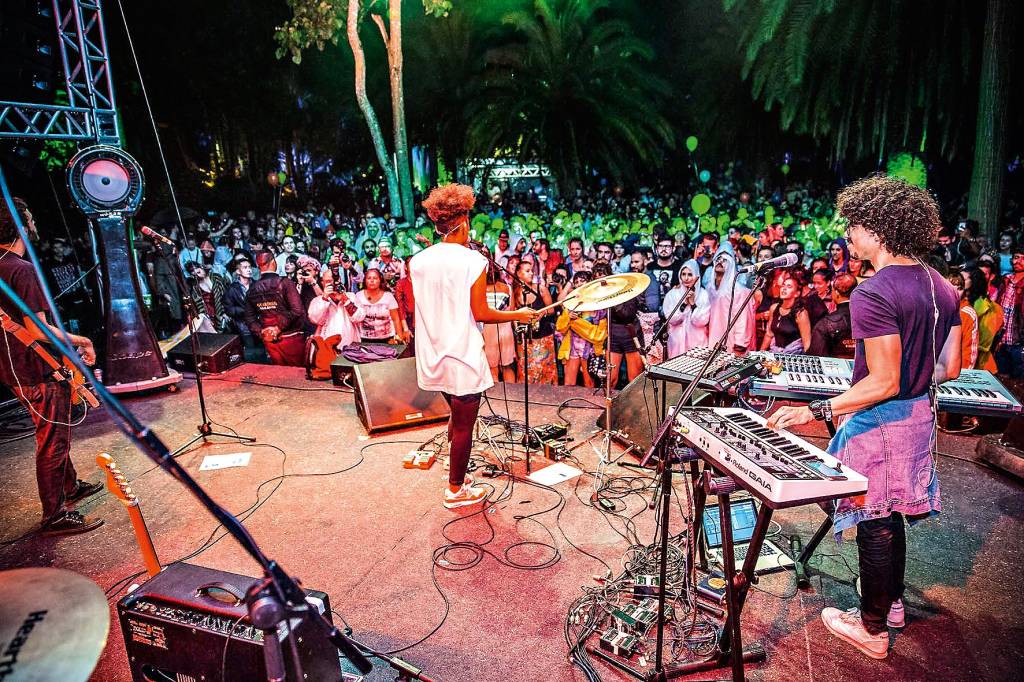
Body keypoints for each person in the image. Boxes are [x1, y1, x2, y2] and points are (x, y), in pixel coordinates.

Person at [767, 175, 961, 661]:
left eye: (853, 225)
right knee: (889, 514)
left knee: (872, 519)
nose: (847, 234)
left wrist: (813, 409)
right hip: (919, 418)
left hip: (883, 422)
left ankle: (872, 628)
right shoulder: (939, 284)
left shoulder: (873, 293)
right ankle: (890, 603)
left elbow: (883, 381)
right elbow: (949, 368)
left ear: (878, 228)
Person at [412, 184, 537, 509]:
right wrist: (518, 314)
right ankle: (455, 489)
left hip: (432, 354)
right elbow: (481, 312)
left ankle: (454, 467)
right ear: (463, 221)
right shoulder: (472, 261)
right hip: (462, 354)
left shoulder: (419, 261)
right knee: (466, 422)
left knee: (455, 414)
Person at [0, 197, 103, 535]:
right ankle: (54, 515)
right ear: (19, 226)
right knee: (53, 438)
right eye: (28, 219)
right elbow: (37, 329)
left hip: (13, 368)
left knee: (54, 431)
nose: (34, 225)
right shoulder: (20, 270)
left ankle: (70, 487)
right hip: (35, 369)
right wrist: (82, 340)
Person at [245, 250, 307, 366]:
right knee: (298, 375)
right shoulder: (285, 283)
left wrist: (262, 331)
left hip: (270, 340)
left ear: (258, 266)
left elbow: (249, 318)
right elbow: (297, 310)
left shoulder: (252, 289)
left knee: (279, 376)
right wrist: (278, 328)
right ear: (274, 262)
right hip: (291, 338)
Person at [703, 244, 755, 355]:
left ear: (732, 264)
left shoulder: (740, 291)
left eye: (725, 260)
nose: (720, 261)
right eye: (718, 258)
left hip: (732, 346)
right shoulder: (709, 288)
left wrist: (740, 345)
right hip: (712, 342)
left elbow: (744, 320)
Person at [513, 259, 558, 385]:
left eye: (532, 271)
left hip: (543, 337)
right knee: (527, 372)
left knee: (545, 371)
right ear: (518, 274)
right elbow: (512, 314)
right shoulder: (515, 293)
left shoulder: (541, 289)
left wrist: (541, 313)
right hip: (525, 339)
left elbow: (552, 310)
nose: (531, 273)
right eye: (527, 271)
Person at [662, 258, 710, 357]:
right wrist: (684, 304)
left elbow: (702, 321)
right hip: (676, 343)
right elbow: (671, 319)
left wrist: (692, 304)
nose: (686, 278)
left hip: (697, 343)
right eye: (683, 274)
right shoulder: (672, 294)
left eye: (690, 274)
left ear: (696, 276)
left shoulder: (704, 295)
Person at [481, 259, 517, 382]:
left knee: (492, 369)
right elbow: (512, 311)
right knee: (507, 367)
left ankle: (497, 400)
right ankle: (513, 397)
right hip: (506, 331)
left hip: (488, 332)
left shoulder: (479, 290)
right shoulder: (507, 288)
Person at [807, 273, 858, 358]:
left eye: (832, 290)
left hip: (836, 369)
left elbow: (816, 357)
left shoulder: (826, 323)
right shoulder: (870, 318)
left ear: (837, 293)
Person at [760, 272, 811, 353]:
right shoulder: (774, 308)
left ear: (796, 293)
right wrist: (760, 354)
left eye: (789, 286)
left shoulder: (801, 313)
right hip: (775, 354)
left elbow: (807, 344)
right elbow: (769, 334)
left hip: (794, 356)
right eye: (783, 285)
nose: (784, 288)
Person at [964, 267, 1002, 372]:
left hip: (978, 368)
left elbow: (982, 343)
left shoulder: (969, 310)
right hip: (981, 367)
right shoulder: (996, 308)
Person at [353, 268, 406, 343]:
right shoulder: (358, 296)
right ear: (365, 280)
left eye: (375, 278)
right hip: (364, 339)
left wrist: (400, 339)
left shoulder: (388, 296)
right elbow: (354, 317)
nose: (372, 281)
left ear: (380, 280)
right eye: (369, 278)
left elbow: (396, 319)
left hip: (387, 339)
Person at [995, 248, 1024, 378]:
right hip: (1002, 339)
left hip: (1020, 342)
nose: (1017, 261)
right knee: (1002, 379)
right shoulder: (1005, 280)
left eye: (1022, 258)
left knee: (1019, 382)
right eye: (1016, 257)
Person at [946, 272, 978, 369]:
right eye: (950, 286)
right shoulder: (931, 308)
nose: (955, 291)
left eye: (959, 288)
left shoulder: (968, 314)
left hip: (956, 373)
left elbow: (969, 353)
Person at [223, 257, 256, 347]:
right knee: (250, 350)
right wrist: (245, 310)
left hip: (258, 325)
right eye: (245, 267)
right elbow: (228, 309)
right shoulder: (232, 289)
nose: (249, 270)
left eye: (249, 267)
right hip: (243, 326)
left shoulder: (257, 284)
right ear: (238, 271)